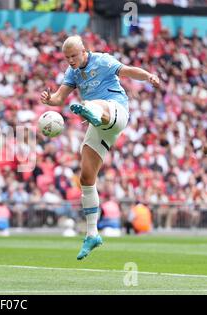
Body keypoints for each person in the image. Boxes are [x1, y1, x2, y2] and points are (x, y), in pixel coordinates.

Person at [40, 35, 160, 260]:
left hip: (116, 111)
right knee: (86, 177)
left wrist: (148, 76)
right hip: (98, 124)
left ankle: (92, 113)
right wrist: (50, 100)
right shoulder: (72, 73)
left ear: (84, 51)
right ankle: (92, 234)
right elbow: (59, 97)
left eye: (74, 56)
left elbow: (127, 70)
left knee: (91, 105)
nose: (71, 61)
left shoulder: (103, 61)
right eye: (67, 58)